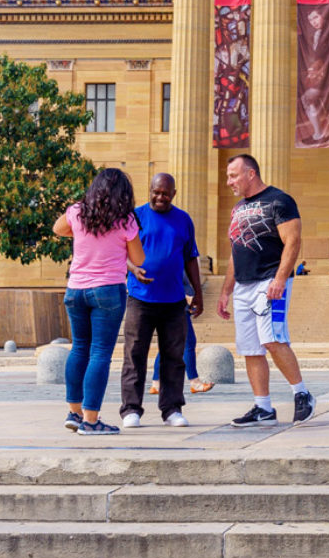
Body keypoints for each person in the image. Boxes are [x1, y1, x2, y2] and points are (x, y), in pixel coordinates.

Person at [217, 154, 315, 427]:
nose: (229, 182)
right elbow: (235, 252)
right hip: (244, 286)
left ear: (251, 174)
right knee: (250, 348)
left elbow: (292, 242)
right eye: (228, 177)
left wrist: (280, 279)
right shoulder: (237, 209)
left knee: (272, 339)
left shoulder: (280, 201)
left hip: (270, 282)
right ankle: (263, 407)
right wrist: (226, 291)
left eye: (233, 176)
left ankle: (302, 394)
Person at [53, 167, 146, 436]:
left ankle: (74, 412)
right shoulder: (125, 220)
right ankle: (91, 421)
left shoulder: (77, 212)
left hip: (76, 290)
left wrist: (84, 235)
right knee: (100, 354)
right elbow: (139, 260)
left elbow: (58, 229)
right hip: (107, 291)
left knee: (79, 348)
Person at [119, 173, 203, 429]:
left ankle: (172, 409)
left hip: (174, 300)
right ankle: (131, 410)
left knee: (174, 356)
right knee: (134, 354)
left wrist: (197, 292)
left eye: (165, 193)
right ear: (150, 190)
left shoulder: (183, 220)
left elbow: (191, 257)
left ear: (173, 194)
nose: (160, 197)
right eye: (156, 192)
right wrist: (134, 270)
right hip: (140, 298)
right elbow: (120, 252)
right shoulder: (135, 216)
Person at [150, 314, 213, 396]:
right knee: (188, 343)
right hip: (177, 305)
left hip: (166, 305)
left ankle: (156, 383)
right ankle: (195, 383)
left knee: (168, 344)